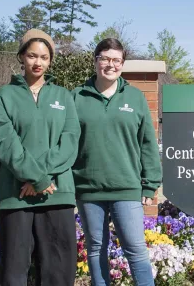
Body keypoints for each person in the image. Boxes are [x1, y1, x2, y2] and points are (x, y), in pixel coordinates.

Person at [0, 28, 81, 286]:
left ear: (50, 60)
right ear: (21, 56)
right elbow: (7, 144)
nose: (37, 62)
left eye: (43, 57)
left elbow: (70, 141)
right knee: (14, 273)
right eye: (32, 55)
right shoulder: (4, 96)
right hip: (17, 196)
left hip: (57, 193)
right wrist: (37, 178)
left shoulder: (64, 96)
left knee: (59, 272)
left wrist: (42, 179)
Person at [72, 38, 162, 286]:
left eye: (116, 60)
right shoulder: (76, 97)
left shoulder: (134, 97)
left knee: (135, 248)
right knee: (95, 248)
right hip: (88, 188)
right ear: (95, 61)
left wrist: (150, 182)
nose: (110, 65)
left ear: (122, 64)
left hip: (126, 187)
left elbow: (147, 143)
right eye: (105, 58)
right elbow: (67, 144)